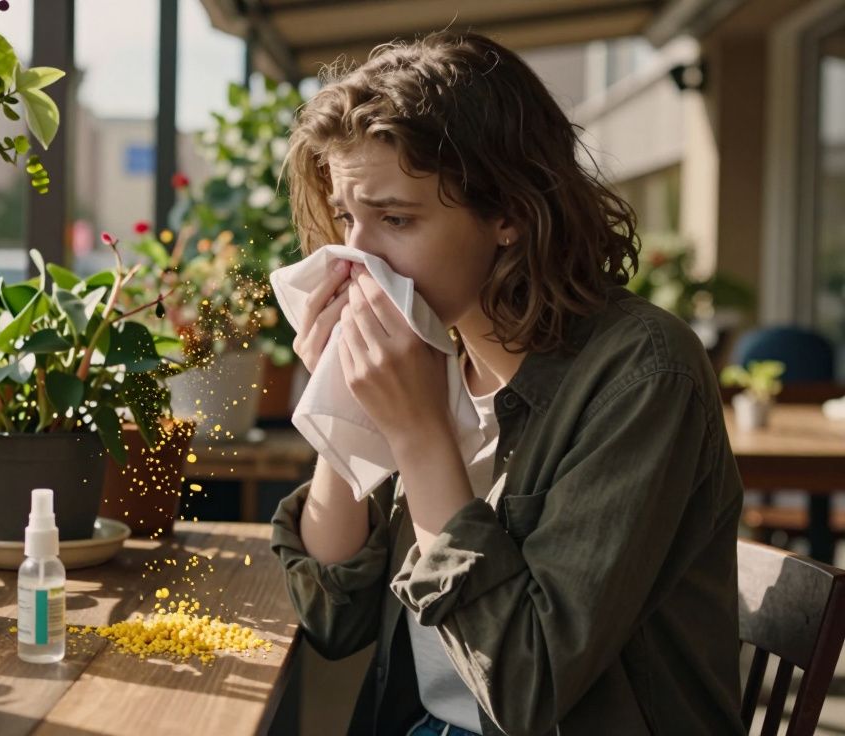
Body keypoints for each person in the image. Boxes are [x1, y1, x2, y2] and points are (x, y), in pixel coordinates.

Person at [271, 31, 744, 736]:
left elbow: (527, 687)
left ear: (510, 216)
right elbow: (332, 621)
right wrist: (338, 401)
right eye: (346, 217)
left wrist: (423, 435)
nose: (355, 255)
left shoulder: (641, 375)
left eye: (396, 218)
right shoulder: (439, 351)